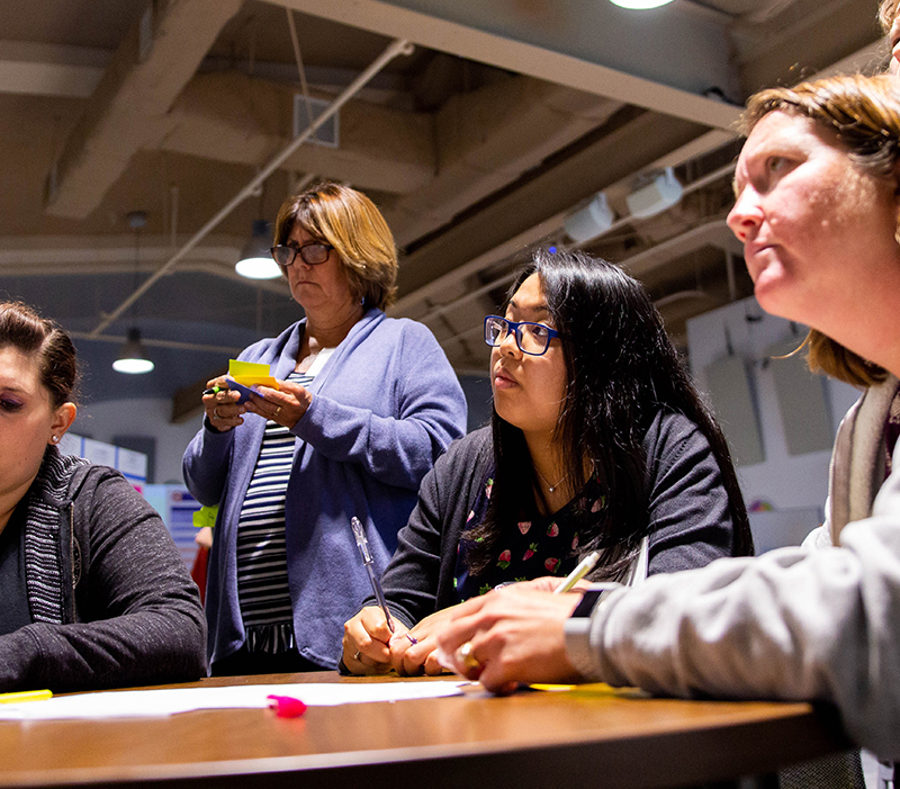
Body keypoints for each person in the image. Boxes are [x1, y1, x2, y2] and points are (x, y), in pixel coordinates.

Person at [435, 73, 900, 764]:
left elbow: (870, 617)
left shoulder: (668, 446)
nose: (739, 215)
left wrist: (586, 622)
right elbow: (809, 581)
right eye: (739, 186)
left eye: (779, 168)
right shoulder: (869, 427)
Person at [342, 248, 753, 676]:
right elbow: (401, 603)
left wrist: (486, 618)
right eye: (506, 324)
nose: (505, 346)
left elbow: (684, 607)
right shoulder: (462, 466)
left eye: (536, 330)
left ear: (601, 357)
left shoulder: (667, 448)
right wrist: (374, 634)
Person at [183, 181, 467, 674]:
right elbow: (203, 485)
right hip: (241, 636)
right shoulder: (259, 358)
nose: (297, 264)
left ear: (358, 255)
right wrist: (217, 429)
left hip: (351, 631)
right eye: (288, 251)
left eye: (315, 249)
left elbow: (439, 455)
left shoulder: (405, 344)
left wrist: (313, 417)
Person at [0, 301, 206, 692]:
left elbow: (178, 630)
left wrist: (29, 651)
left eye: (8, 404)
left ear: (58, 424)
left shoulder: (94, 500)